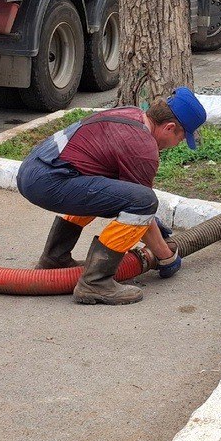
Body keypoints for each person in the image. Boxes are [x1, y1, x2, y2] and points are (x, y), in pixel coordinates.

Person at [16, 88, 207, 305]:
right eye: (181, 138)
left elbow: (124, 196)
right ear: (170, 127)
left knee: (110, 189)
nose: (179, 143)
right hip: (48, 181)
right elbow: (140, 207)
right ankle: (95, 283)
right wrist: (166, 257)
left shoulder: (131, 114)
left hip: (33, 170)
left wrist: (152, 223)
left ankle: (54, 259)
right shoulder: (143, 148)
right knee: (144, 203)